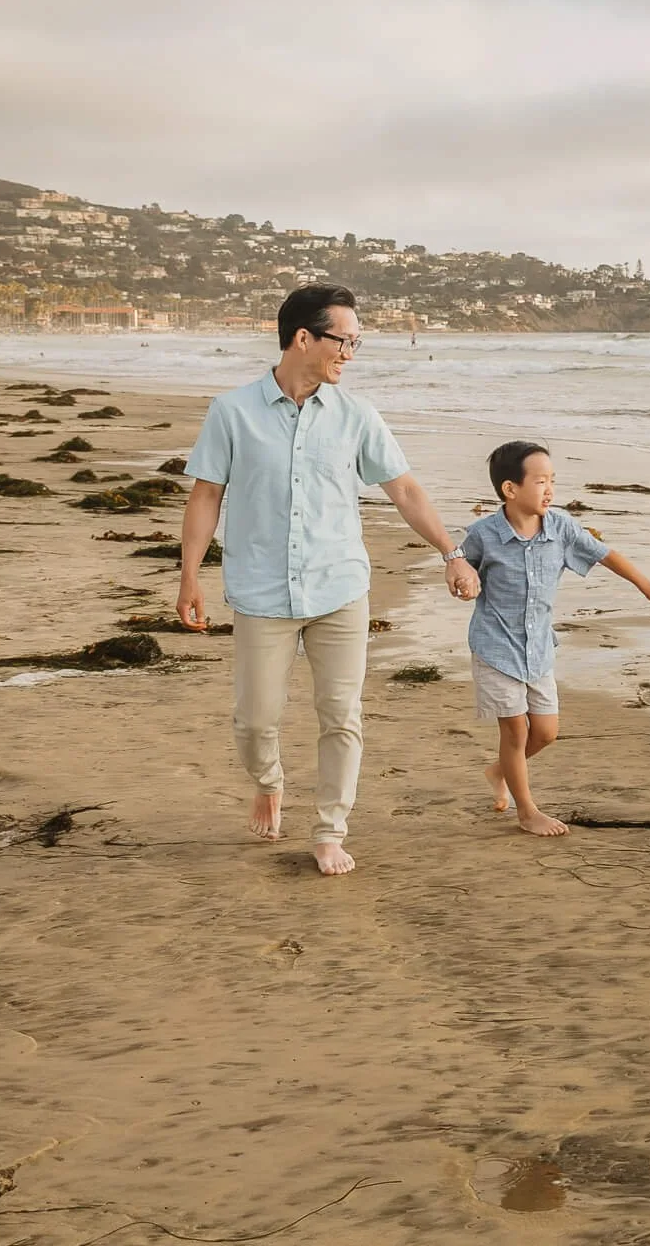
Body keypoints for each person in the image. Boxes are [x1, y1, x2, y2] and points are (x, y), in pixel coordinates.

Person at [176, 285, 478, 875]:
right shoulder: (231, 412)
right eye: (345, 340)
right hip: (261, 591)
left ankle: (329, 831)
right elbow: (207, 494)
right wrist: (190, 576)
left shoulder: (357, 416)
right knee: (255, 718)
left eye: (357, 342)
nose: (352, 353)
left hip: (339, 588)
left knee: (342, 714)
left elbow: (406, 490)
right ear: (304, 338)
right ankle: (268, 781)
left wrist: (451, 552)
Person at [452, 440, 650, 837]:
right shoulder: (483, 535)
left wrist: (647, 586)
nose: (550, 489)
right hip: (495, 645)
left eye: (552, 480)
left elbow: (606, 554)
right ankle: (527, 811)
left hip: (538, 647)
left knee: (546, 732)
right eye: (541, 481)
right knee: (515, 730)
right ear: (510, 489)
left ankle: (500, 770)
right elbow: (458, 564)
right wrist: (462, 581)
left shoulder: (561, 527)